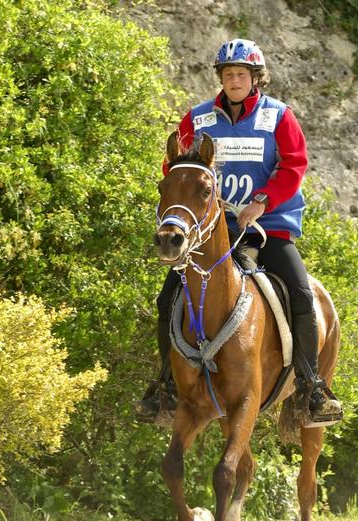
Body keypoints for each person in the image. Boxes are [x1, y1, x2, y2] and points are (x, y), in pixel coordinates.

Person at [136, 38, 342, 426]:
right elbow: (176, 169)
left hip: (269, 228)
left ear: (255, 79)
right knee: (167, 299)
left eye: (241, 75)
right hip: (212, 233)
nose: (234, 81)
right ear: (221, 78)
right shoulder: (196, 119)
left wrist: (263, 201)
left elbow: (294, 164)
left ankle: (311, 388)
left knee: (300, 293)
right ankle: (164, 387)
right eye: (228, 74)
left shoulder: (279, 116)